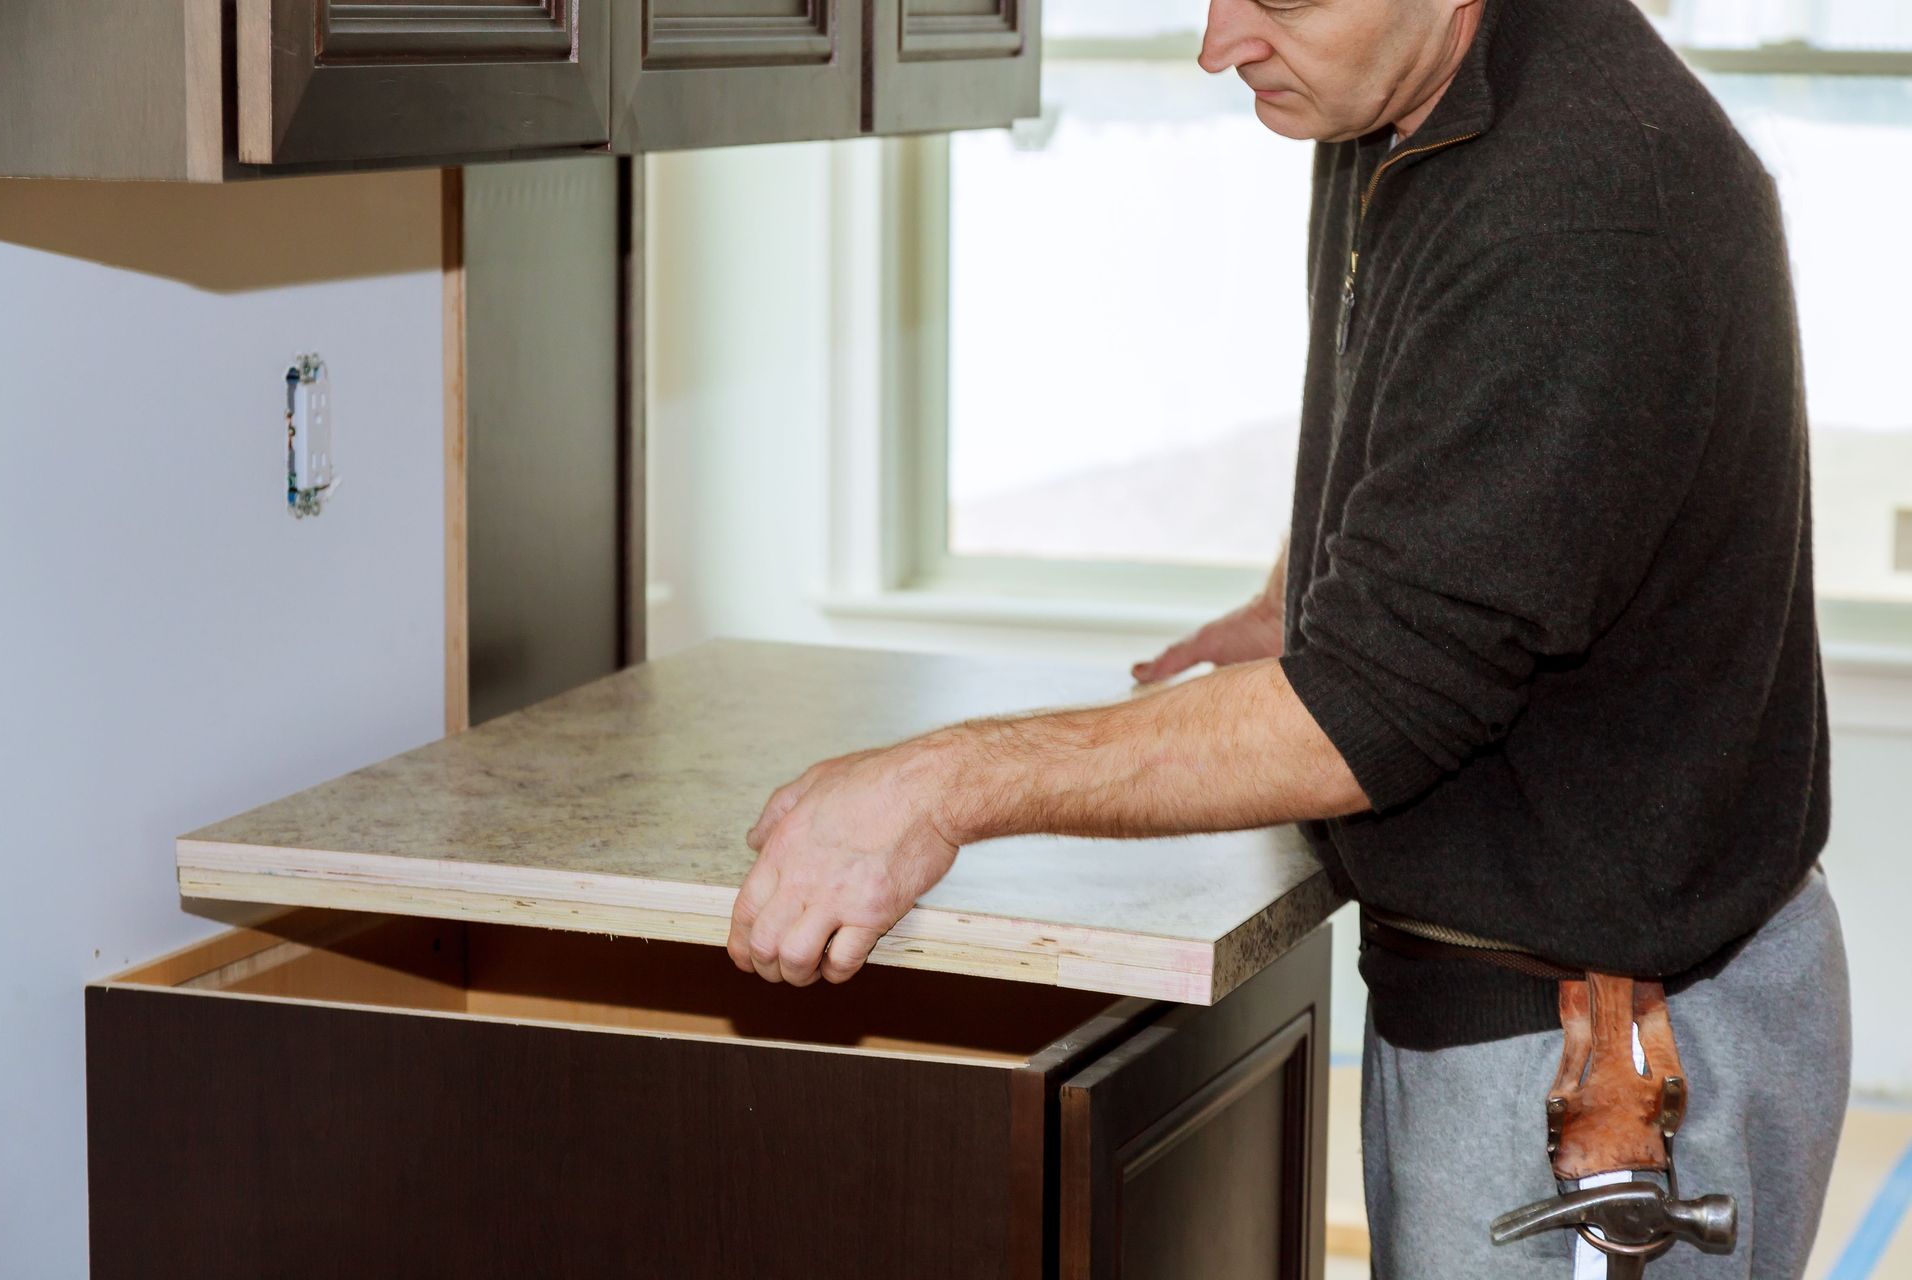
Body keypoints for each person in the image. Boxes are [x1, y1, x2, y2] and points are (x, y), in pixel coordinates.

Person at [725, 0, 1851, 1274]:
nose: (1220, 44)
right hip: (1522, 1001)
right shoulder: (1405, 88)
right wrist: (1310, 579)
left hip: (1609, 1066)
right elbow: (1443, 404)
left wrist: (934, 786)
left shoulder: (1582, 203)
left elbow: (1369, 711)